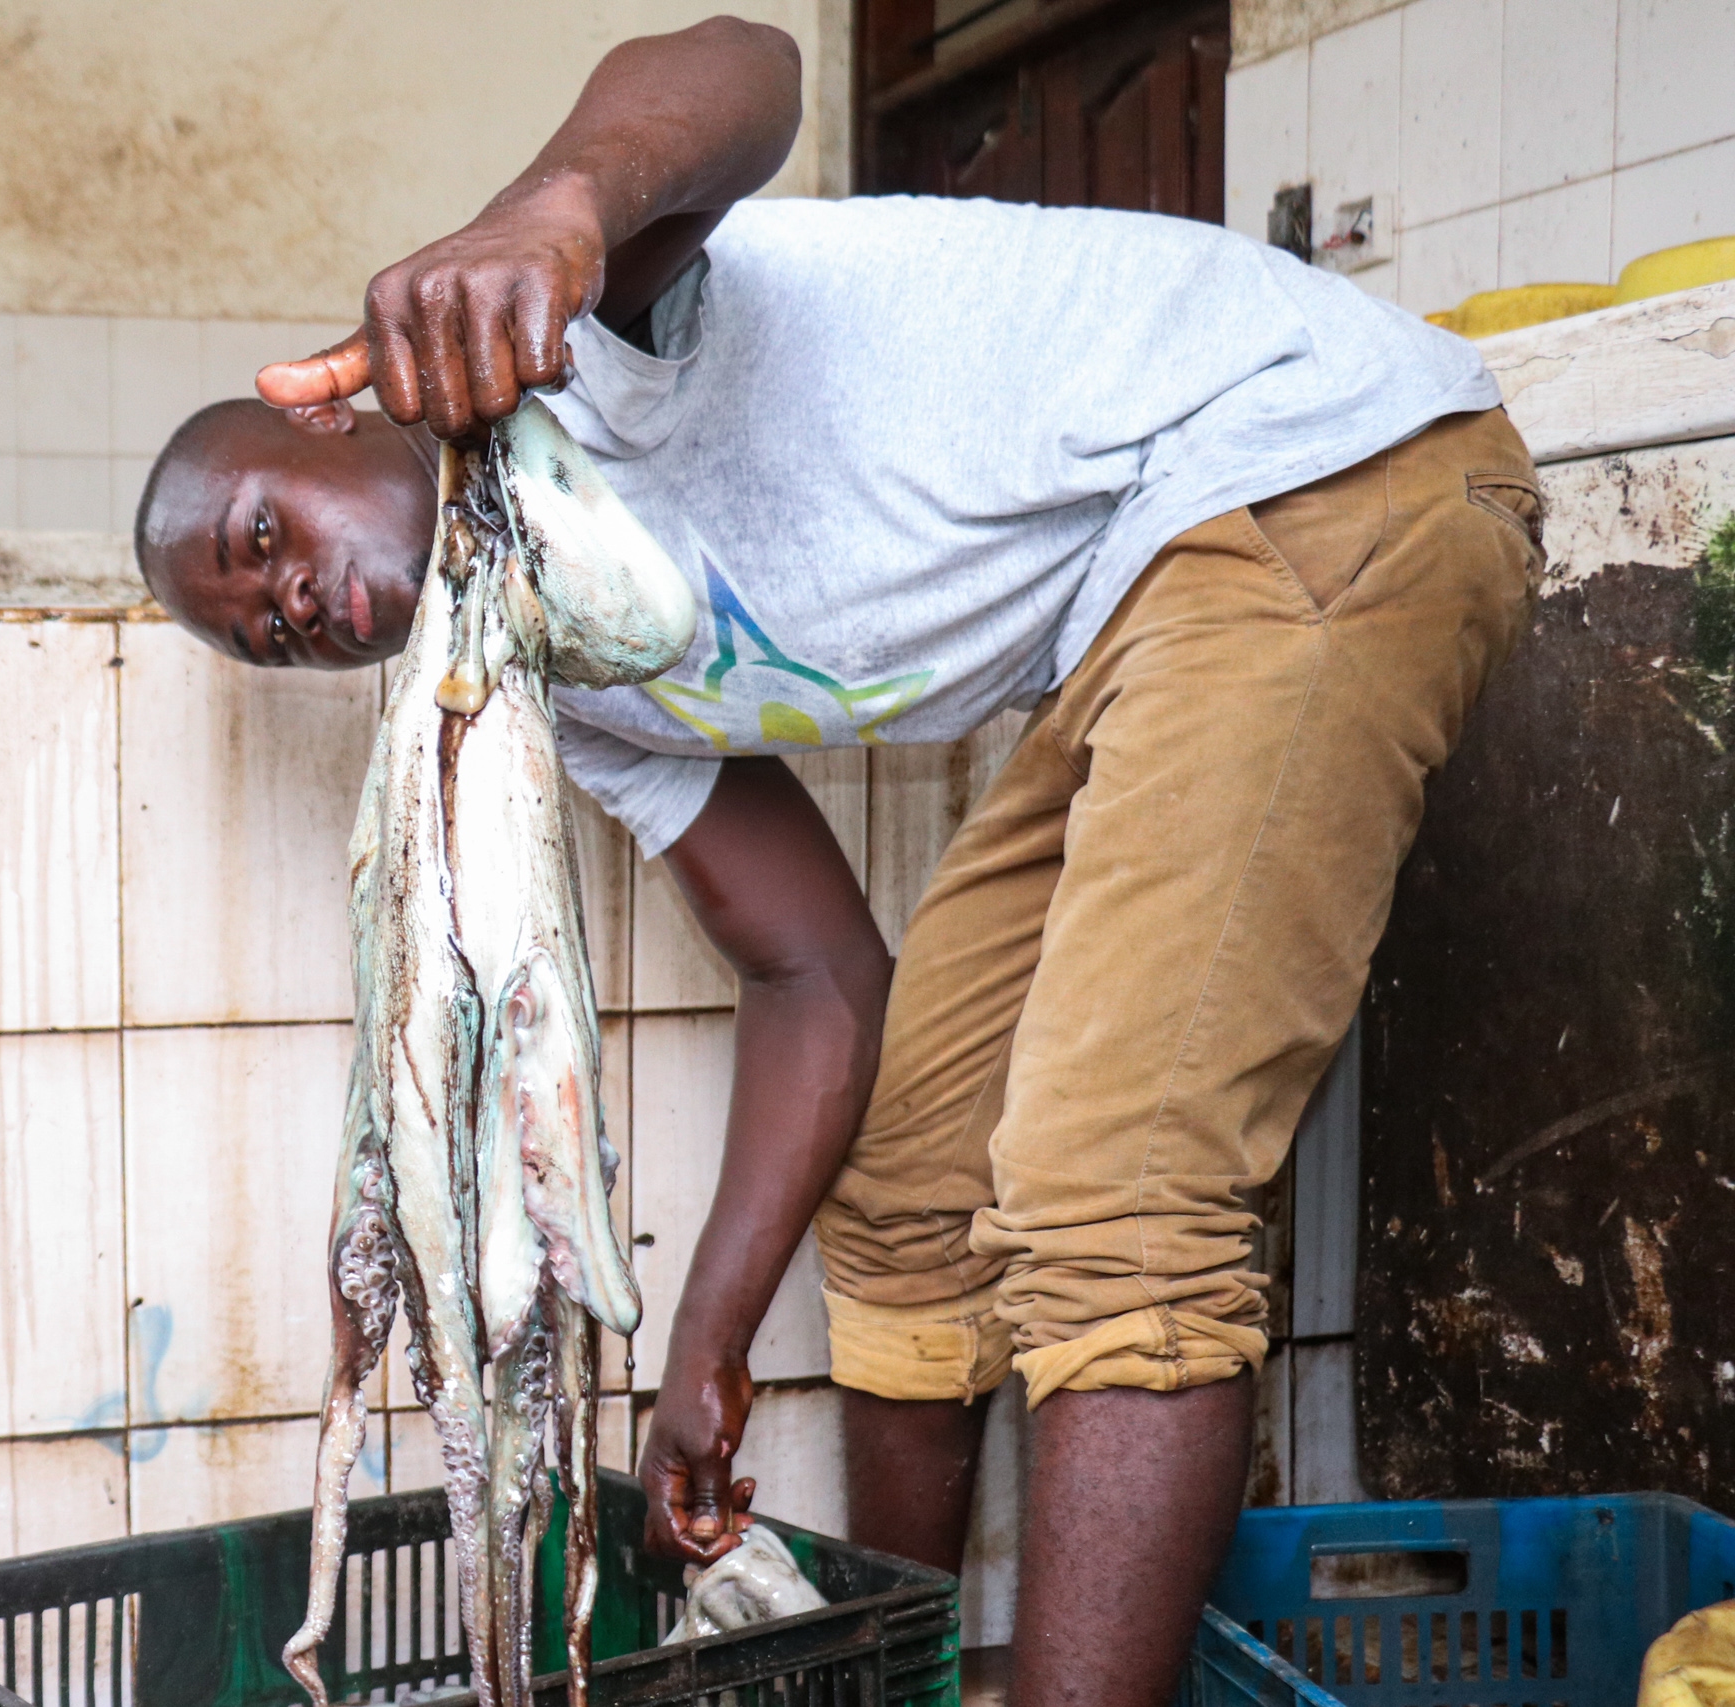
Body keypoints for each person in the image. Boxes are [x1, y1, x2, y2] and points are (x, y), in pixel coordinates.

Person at [132, 17, 1543, 1698]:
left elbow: (746, 67)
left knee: (1117, 1193)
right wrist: (707, 1342)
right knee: (911, 1173)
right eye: (266, 638)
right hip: (1146, 606)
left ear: (328, 407)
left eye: (262, 539)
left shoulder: (561, 343)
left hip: (1320, 476)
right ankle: (906, 1674)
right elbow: (813, 972)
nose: (287, 606)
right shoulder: (559, 684)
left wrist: (554, 208)